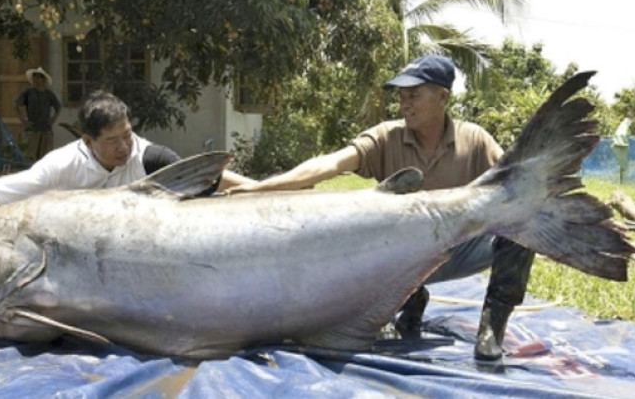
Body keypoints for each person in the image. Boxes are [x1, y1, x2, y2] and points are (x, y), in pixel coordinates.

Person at [227, 55, 535, 361]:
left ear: (443, 96)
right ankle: (405, 300)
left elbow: (515, 181)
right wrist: (260, 188)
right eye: (401, 97)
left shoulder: (475, 140)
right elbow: (330, 163)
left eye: (414, 95)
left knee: (522, 222)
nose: (405, 103)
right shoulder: (387, 137)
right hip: (396, 259)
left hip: (458, 248)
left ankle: (492, 328)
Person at [0, 91, 255, 230]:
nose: (124, 147)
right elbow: (0, 192)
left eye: (127, 135)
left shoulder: (149, 157)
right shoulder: (60, 167)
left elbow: (208, 177)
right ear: (87, 141)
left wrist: (265, 188)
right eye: (112, 140)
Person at [17, 67, 62, 161]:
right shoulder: (28, 93)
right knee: (31, 156)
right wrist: (24, 120)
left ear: (43, 79)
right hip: (33, 129)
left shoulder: (49, 94)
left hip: (46, 129)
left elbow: (58, 107)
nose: (36, 80)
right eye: (34, 77)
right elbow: (17, 105)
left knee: (46, 157)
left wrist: (52, 120)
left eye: (38, 77)